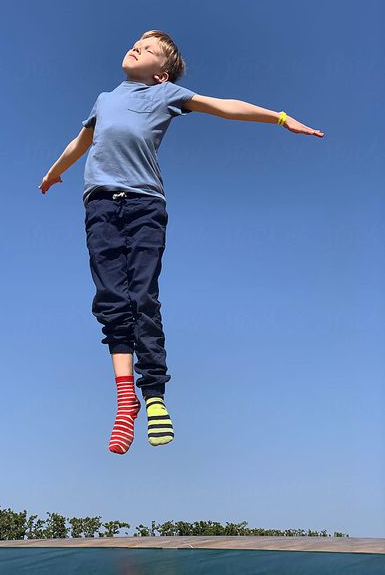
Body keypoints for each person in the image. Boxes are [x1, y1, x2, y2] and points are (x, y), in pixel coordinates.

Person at [38, 29, 324, 455]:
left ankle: (153, 395)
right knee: (112, 300)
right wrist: (55, 170)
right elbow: (81, 141)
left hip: (144, 205)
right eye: (138, 41)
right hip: (99, 206)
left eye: (150, 49)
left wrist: (280, 118)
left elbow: (225, 107)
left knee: (143, 297)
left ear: (163, 75)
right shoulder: (104, 99)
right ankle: (124, 401)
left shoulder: (168, 96)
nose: (137, 46)